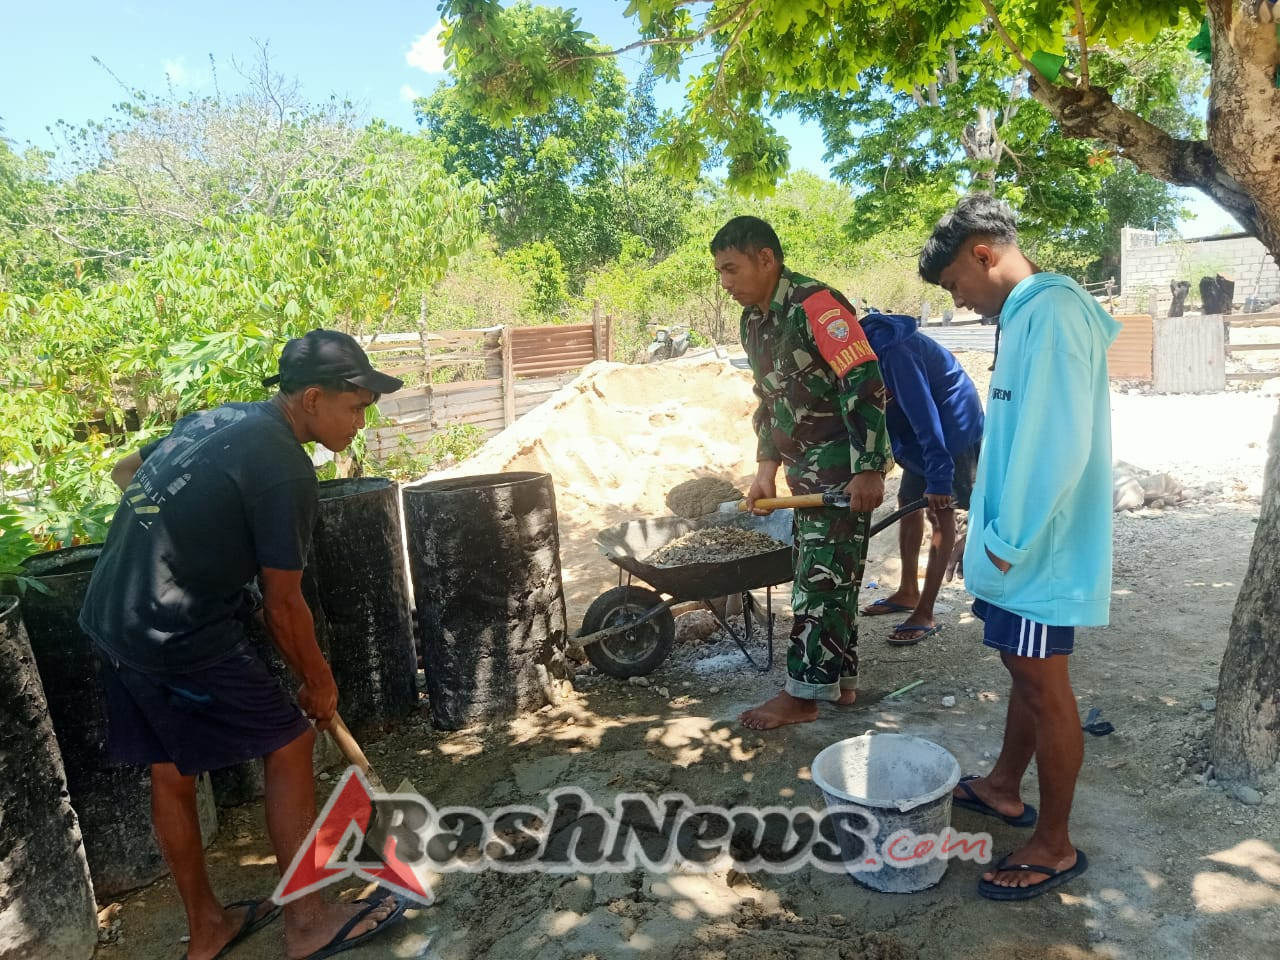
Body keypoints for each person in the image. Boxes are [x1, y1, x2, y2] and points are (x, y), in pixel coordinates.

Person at [79, 329, 411, 959]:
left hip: (111, 613)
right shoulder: (287, 469)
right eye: (356, 407)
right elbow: (285, 606)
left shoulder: (219, 418)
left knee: (171, 770)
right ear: (313, 398)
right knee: (290, 742)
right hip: (177, 631)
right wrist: (319, 682)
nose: (360, 422)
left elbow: (129, 472)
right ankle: (308, 921)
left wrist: (187, 541)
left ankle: (208, 928)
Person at [919, 195, 1119, 901]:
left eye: (953, 286)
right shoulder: (1025, 316)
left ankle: (1055, 844)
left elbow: (1058, 445)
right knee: (1020, 666)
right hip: (1018, 543)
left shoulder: (1055, 313)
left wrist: (1008, 539)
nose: (959, 300)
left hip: (1041, 549)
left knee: (1043, 681)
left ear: (982, 253)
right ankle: (1005, 787)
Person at [711, 216, 890, 730]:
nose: (725, 283)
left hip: (842, 471)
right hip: (799, 474)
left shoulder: (818, 308)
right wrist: (765, 470)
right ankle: (840, 683)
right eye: (720, 272)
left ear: (766, 259)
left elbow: (866, 382)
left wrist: (871, 468)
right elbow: (767, 401)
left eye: (731, 269)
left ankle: (803, 695)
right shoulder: (754, 322)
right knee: (835, 578)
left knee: (818, 581)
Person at [857, 311, 984, 645]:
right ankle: (908, 591)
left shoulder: (894, 353)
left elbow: (926, 414)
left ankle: (926, 611)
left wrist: (940, 479)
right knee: (907, 503)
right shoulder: (853, 355)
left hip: (951, 428)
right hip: (918, 434)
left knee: (939, 509)